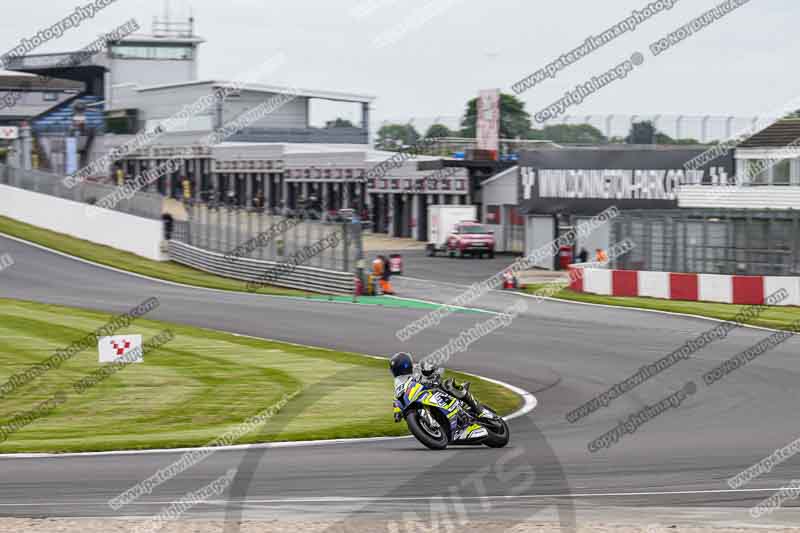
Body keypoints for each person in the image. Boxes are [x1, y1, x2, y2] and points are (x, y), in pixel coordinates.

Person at [390, 352, 482, 421]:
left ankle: (478, 409)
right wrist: (397, 410)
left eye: (398, 368)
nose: (397, 371)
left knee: (449, 385)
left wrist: (431, 373)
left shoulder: (418, 367)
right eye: (395, 369)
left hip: (434, 388)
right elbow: (397, 397)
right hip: (422, 397)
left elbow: (438, 369)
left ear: (405, 365)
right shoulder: (399, 381)